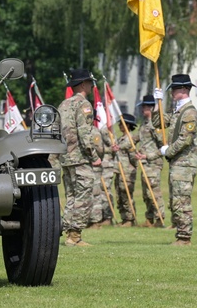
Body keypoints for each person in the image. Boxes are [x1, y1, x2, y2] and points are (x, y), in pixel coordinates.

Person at [57, 69, 103, 247]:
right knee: (84, 197)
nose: (92, 86)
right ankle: (74, 236)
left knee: (71, 197)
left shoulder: (63, 104)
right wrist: (94, 156)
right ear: (83, 84)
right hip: (80, 158)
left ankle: (69, 233)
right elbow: (85, 134)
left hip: (66, 157)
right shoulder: (84, 105)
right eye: (90, 83)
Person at [159, 74, 197, 245]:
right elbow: (158, 122)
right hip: (178, 162)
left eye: (175, 89)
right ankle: (181, 234)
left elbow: (185, 139)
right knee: (176, 199)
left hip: (185, 162)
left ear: (184, 89)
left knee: (182, 200)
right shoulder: (177, 111)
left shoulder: (189, 112)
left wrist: (168, 151)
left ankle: (184, 237)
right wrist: (157, 103)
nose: (172, 92)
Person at [135, 95, 166, 227]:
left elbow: (163, 145)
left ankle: (160, 218)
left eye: (146, 107)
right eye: (143, 107)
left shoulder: (155, 124)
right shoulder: (144, 124)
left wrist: (148, 156)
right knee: (146, 192)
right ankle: (149, 218)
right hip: (144, 163)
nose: (143, 109)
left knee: (153, 191)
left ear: (151, 108)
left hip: (153, 163)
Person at [114, 114, 140, 227]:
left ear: (127, 125)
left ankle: (130, 219)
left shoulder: (130, 139)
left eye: (122, 123)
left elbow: (133, 156)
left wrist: (133, 168)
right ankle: (124, 218)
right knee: (119, 195)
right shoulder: (120, 139)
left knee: (126, 195)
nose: (119, 125)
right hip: (119, 171)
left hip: (127, 171)